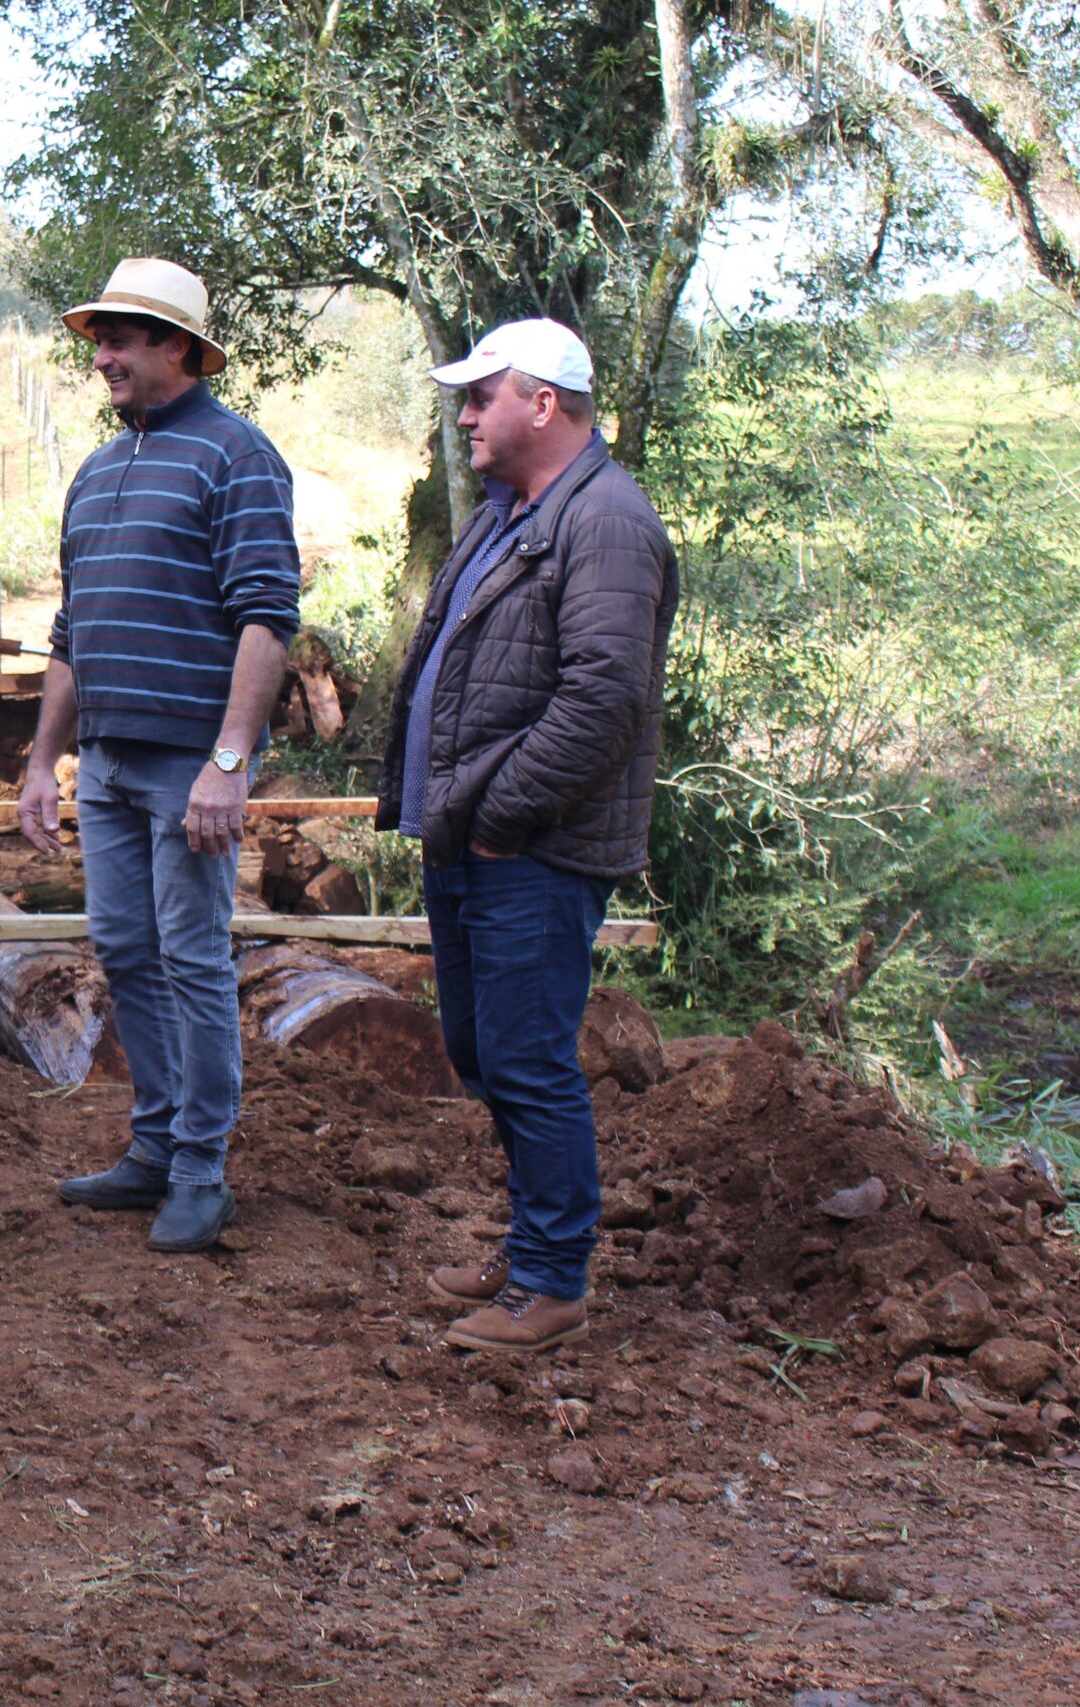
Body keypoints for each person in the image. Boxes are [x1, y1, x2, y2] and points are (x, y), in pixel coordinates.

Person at [376, 318, 679, 1354]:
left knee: (528, 1058)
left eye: (480, 395)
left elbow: (602, 699)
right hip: (475, 842)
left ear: (541, 402)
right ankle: (530, 1247)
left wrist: (500, 816)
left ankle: (553, 1283)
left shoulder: (605, 522)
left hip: (531, 851)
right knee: (479, 1049)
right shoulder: (513, 512)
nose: (464, 414)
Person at [17, 257, 301, 1256]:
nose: (103, 356)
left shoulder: (237, 457)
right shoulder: (97, 474)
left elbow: (267, 617)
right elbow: (70, 635)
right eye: (98, 338)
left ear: (176, 346)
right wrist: (39, 760)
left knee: (190, 959)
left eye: (123, 338)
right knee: (129, 956)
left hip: (189, 761)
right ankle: (151, 1147)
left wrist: (229, 761)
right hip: (105, 764)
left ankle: (200, 1168)